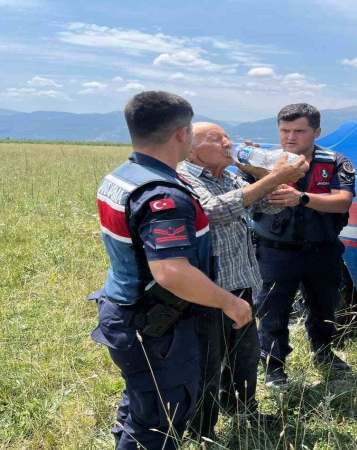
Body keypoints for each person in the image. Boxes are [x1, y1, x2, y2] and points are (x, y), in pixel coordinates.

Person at [91, 91, 253, 450]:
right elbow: (172, 272)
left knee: (142, 405)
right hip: (155, 327)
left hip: (126, 311)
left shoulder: (123, 176)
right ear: (183, 133)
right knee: (160, 424)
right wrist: (230, 302)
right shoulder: (165, 194)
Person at [177, 122, 307, 438]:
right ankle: (201, 430)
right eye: (216, 138)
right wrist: (276, 177)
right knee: (208, 362)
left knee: (245, 356)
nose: (227, 143)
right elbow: (214, 210)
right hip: (210, 290)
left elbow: (264, 203)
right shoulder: (185, 179)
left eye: (227, 137)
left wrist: (269, 175)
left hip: (243, 284)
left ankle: (242, 409)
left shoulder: (231, 176)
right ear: (192, 149)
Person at [252, 103, 356, 389]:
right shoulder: (265, 161)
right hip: (275, 248)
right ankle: (274, 366)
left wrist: (302, 197)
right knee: (273, 309)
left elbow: (343, 201)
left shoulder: (335, 161)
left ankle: (323, 352)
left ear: (316, 132)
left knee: (324, 304)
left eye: (299, 131)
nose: (290, 137)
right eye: (285, 130)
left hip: (321, 247)